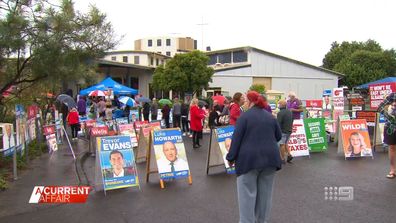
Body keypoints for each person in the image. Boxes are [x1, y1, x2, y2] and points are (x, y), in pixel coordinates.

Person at [226, 90, 282, 223]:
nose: (244, 103)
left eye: (245, 101)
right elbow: (278, 136)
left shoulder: (244, 118)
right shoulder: (270, 116)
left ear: (251, 102)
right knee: (265, 197)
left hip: (248, 161)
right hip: (270, 161)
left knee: (247, 197)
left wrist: (230, 158)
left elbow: (236, 140)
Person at [378, 95, 396, 178]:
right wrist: (389, 116)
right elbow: (379, 108)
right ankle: (393, 170)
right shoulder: (393, 95)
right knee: (392, 147)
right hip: (390, 127)